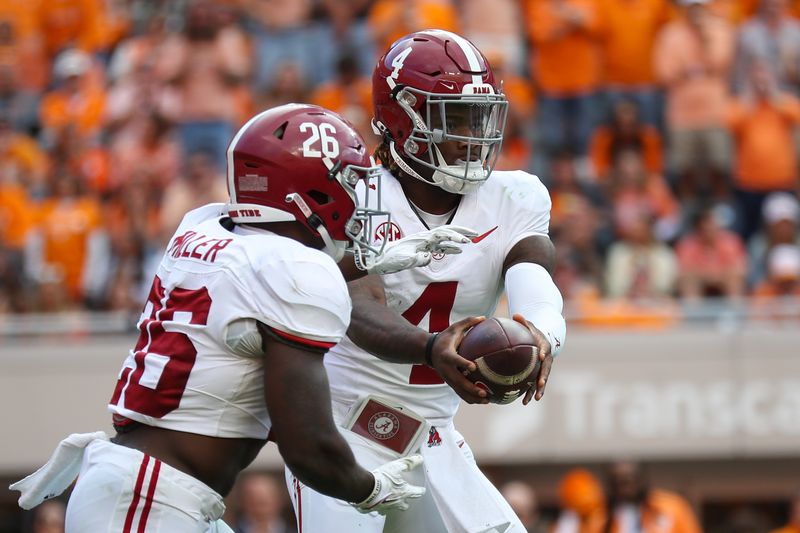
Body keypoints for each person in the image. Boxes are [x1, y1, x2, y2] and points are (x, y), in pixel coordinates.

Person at [10, 104, 477, 532]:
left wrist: (369, 262)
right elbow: (308, 446)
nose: (359, 199)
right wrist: (368, 488)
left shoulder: (202, 225)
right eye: (350, 183)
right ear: (310, 190)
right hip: (150, 498)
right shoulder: (295, 272)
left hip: (152, 487)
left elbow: (259, 275)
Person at [286, 30, 566, 533]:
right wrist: (432, 347)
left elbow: (534, 273)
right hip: (344, 428)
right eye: (454, 118)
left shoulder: (516, 196)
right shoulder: (357, 195)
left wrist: (543, 333)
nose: (472, 135)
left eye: (480, 117)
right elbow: (359, 305)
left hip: (433, 435)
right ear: (400, 120)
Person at [603, 460, 702, 533]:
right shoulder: (602, 516)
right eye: (617, 482)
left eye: (628, 481)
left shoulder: (671, 507)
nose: (624, 489)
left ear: (641, 480)